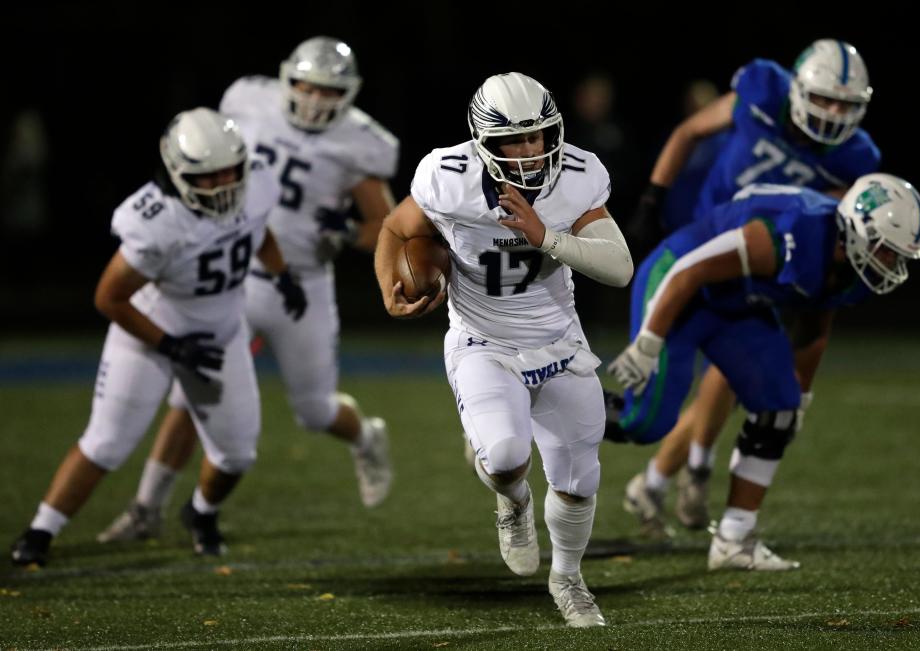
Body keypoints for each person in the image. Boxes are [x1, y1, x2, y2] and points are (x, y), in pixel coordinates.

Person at [96, 37, 399, 544]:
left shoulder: (363, 142)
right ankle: (147, 507)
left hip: (302, 282)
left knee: (314, 409)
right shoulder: (247, 101)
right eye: (307, 85)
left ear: (348, 93)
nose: (315, 98)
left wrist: (346, 231)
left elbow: (384, 226)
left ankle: (366, 437)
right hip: (232, 278)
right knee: (190, 394)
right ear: (287, 78)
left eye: (329, 90)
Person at [374, 72, 632, 626]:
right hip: (482, 338)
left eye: (538, 135)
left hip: (559, 338)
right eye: (513, 140)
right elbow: (396, 230)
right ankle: (512, 500)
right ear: (481, 141)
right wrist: (389, 291)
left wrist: (547, 237)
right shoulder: (448, 177)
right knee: (508, 456)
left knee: (579, 477)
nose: (530, 150)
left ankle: (568, 578)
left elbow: (619, 267)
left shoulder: (578, 175)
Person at [10, 107, 307, 565]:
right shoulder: (155, 219)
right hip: (149, 333)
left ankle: (201, 513)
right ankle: (41, 531)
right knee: (107, 442)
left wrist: (282, 274)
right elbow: (109, 298)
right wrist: (170, 345)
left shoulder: (257, 183)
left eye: (232, 170)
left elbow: (256, 229)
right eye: (209, 176)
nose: (225, 184)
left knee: (236, 456)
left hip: (218, 335)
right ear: (178, 172)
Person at [612, 39, 881, 538]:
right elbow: (691, 130)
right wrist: (653, 198)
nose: (832, 113)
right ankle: (677, 468)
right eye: (824, 98)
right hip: (710, 244)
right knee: (655, 411)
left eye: (846, 104)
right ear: (797, 90)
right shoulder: (762, 91)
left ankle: (680, 475)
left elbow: (826, 232)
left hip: (767, 267)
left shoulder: (856, 158)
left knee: (752, 382)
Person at [608, 174, 920, 569]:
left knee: (780, 409)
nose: (890, 264)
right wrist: (649, 341)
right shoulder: (794, 232)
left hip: (737, 307)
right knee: (645, 424)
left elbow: (815, 325)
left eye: (898, 256)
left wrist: (802, 398)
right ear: (856, 231)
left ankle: (734, 540)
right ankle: (564, 399)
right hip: (681, 285)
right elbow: (690, 270)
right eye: (886, 251)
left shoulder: (852, 267)